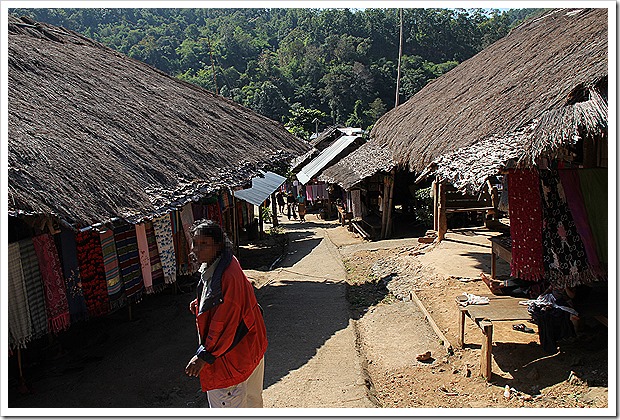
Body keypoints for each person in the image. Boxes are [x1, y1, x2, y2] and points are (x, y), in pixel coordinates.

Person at [185, 220, 267, 408]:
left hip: (232, 360)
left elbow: (224, 322)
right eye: (195, 243)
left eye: (204, 244)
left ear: (218, 245)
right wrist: (201, 304)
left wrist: (204, 356)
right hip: (250, 348)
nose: (197, 249)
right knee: (253, 404)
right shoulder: (226, 262)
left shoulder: (226, 275)